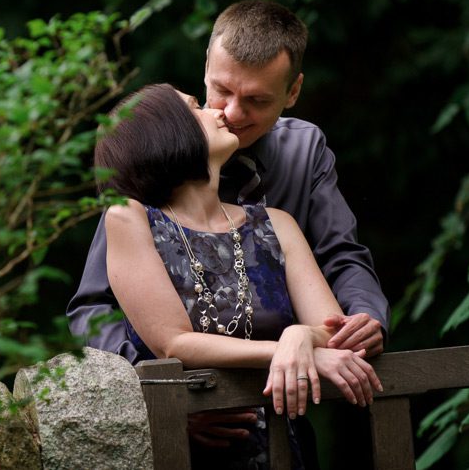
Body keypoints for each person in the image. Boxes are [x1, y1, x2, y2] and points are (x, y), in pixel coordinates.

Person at [68, 0, 389, 362]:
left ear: (293, 92)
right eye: (221, 91)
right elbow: (95, 306)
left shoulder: (302, 158)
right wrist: (160, 384)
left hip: (291, 374)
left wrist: (363, 320)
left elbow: (340, 254)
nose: (232, 113)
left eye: (257, 100)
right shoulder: (149, 169)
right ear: (207, 64)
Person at [95, 83, 383, 469]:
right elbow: (173, 343)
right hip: (191, 449)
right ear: (163, 132)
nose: (218, 112)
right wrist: (283, 350)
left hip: (283, 447)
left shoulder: (277, 224)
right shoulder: (129, 218)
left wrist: (300, 336)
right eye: (195, 108)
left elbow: (332, 330)